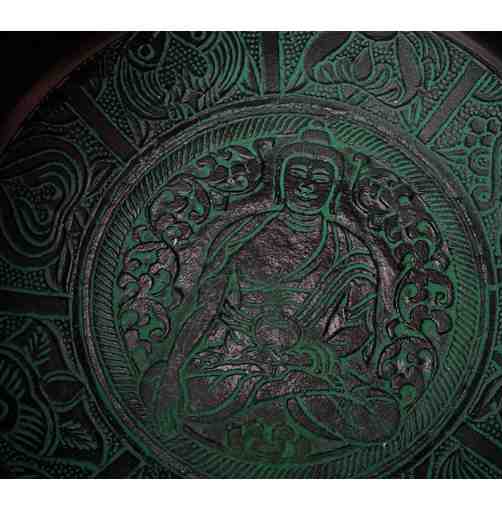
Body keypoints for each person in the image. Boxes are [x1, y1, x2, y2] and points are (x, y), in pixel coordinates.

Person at [153, 127, 400, 455]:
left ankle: (278, 393)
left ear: (333, 189)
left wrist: (314, 352)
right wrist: (173, 374)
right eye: (297, 175)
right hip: (238, 362)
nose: (308, 186)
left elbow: (358, 328)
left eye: (320, 179)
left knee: (380, 419)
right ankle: (268, 394)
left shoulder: (350, 250)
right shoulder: (241, 234)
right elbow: (205, 310)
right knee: (163, 386)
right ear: (281, 181)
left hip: (307, 368)